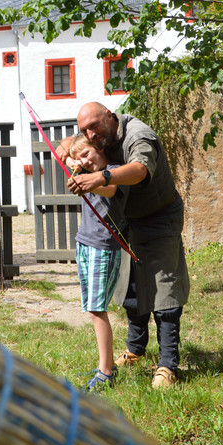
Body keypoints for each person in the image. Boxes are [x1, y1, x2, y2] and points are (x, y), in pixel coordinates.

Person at [56, 102, 190, 388]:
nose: (90, 135)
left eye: (94, 126)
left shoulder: (138, 135)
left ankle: (167, 364)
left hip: (158, 217)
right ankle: (136, 349)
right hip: (128, 220)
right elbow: (80, 141)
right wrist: (68, 143)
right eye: (84, 130)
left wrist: (100, 177)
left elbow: (140, 169)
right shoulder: (100, 137)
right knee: (131, 287)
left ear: (109, 116)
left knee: (163, 290)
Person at [64, 134, 128, 392]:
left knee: (97, 309)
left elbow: (109, 189)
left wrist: (87, 182)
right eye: (79, 158)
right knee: (93, 308)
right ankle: (106, 364)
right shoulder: (82, 168)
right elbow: (65, 151)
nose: (84, 162)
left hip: (104, 247)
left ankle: (106, 371)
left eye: (88, 154)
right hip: (84, 243)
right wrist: (72, 160)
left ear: (100, 148)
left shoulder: (112, 172)